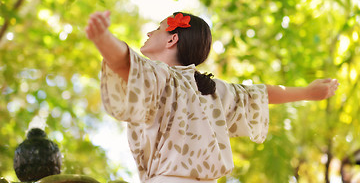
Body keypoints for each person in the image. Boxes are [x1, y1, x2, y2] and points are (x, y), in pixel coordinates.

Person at [85, 11, 339, 183]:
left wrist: (102, 38)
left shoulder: (160, 76)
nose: (149, 33)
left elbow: (122, 61)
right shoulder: (213, 91)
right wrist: (307, 92)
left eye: (157, 29)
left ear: (173, 39)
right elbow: (262, 93)